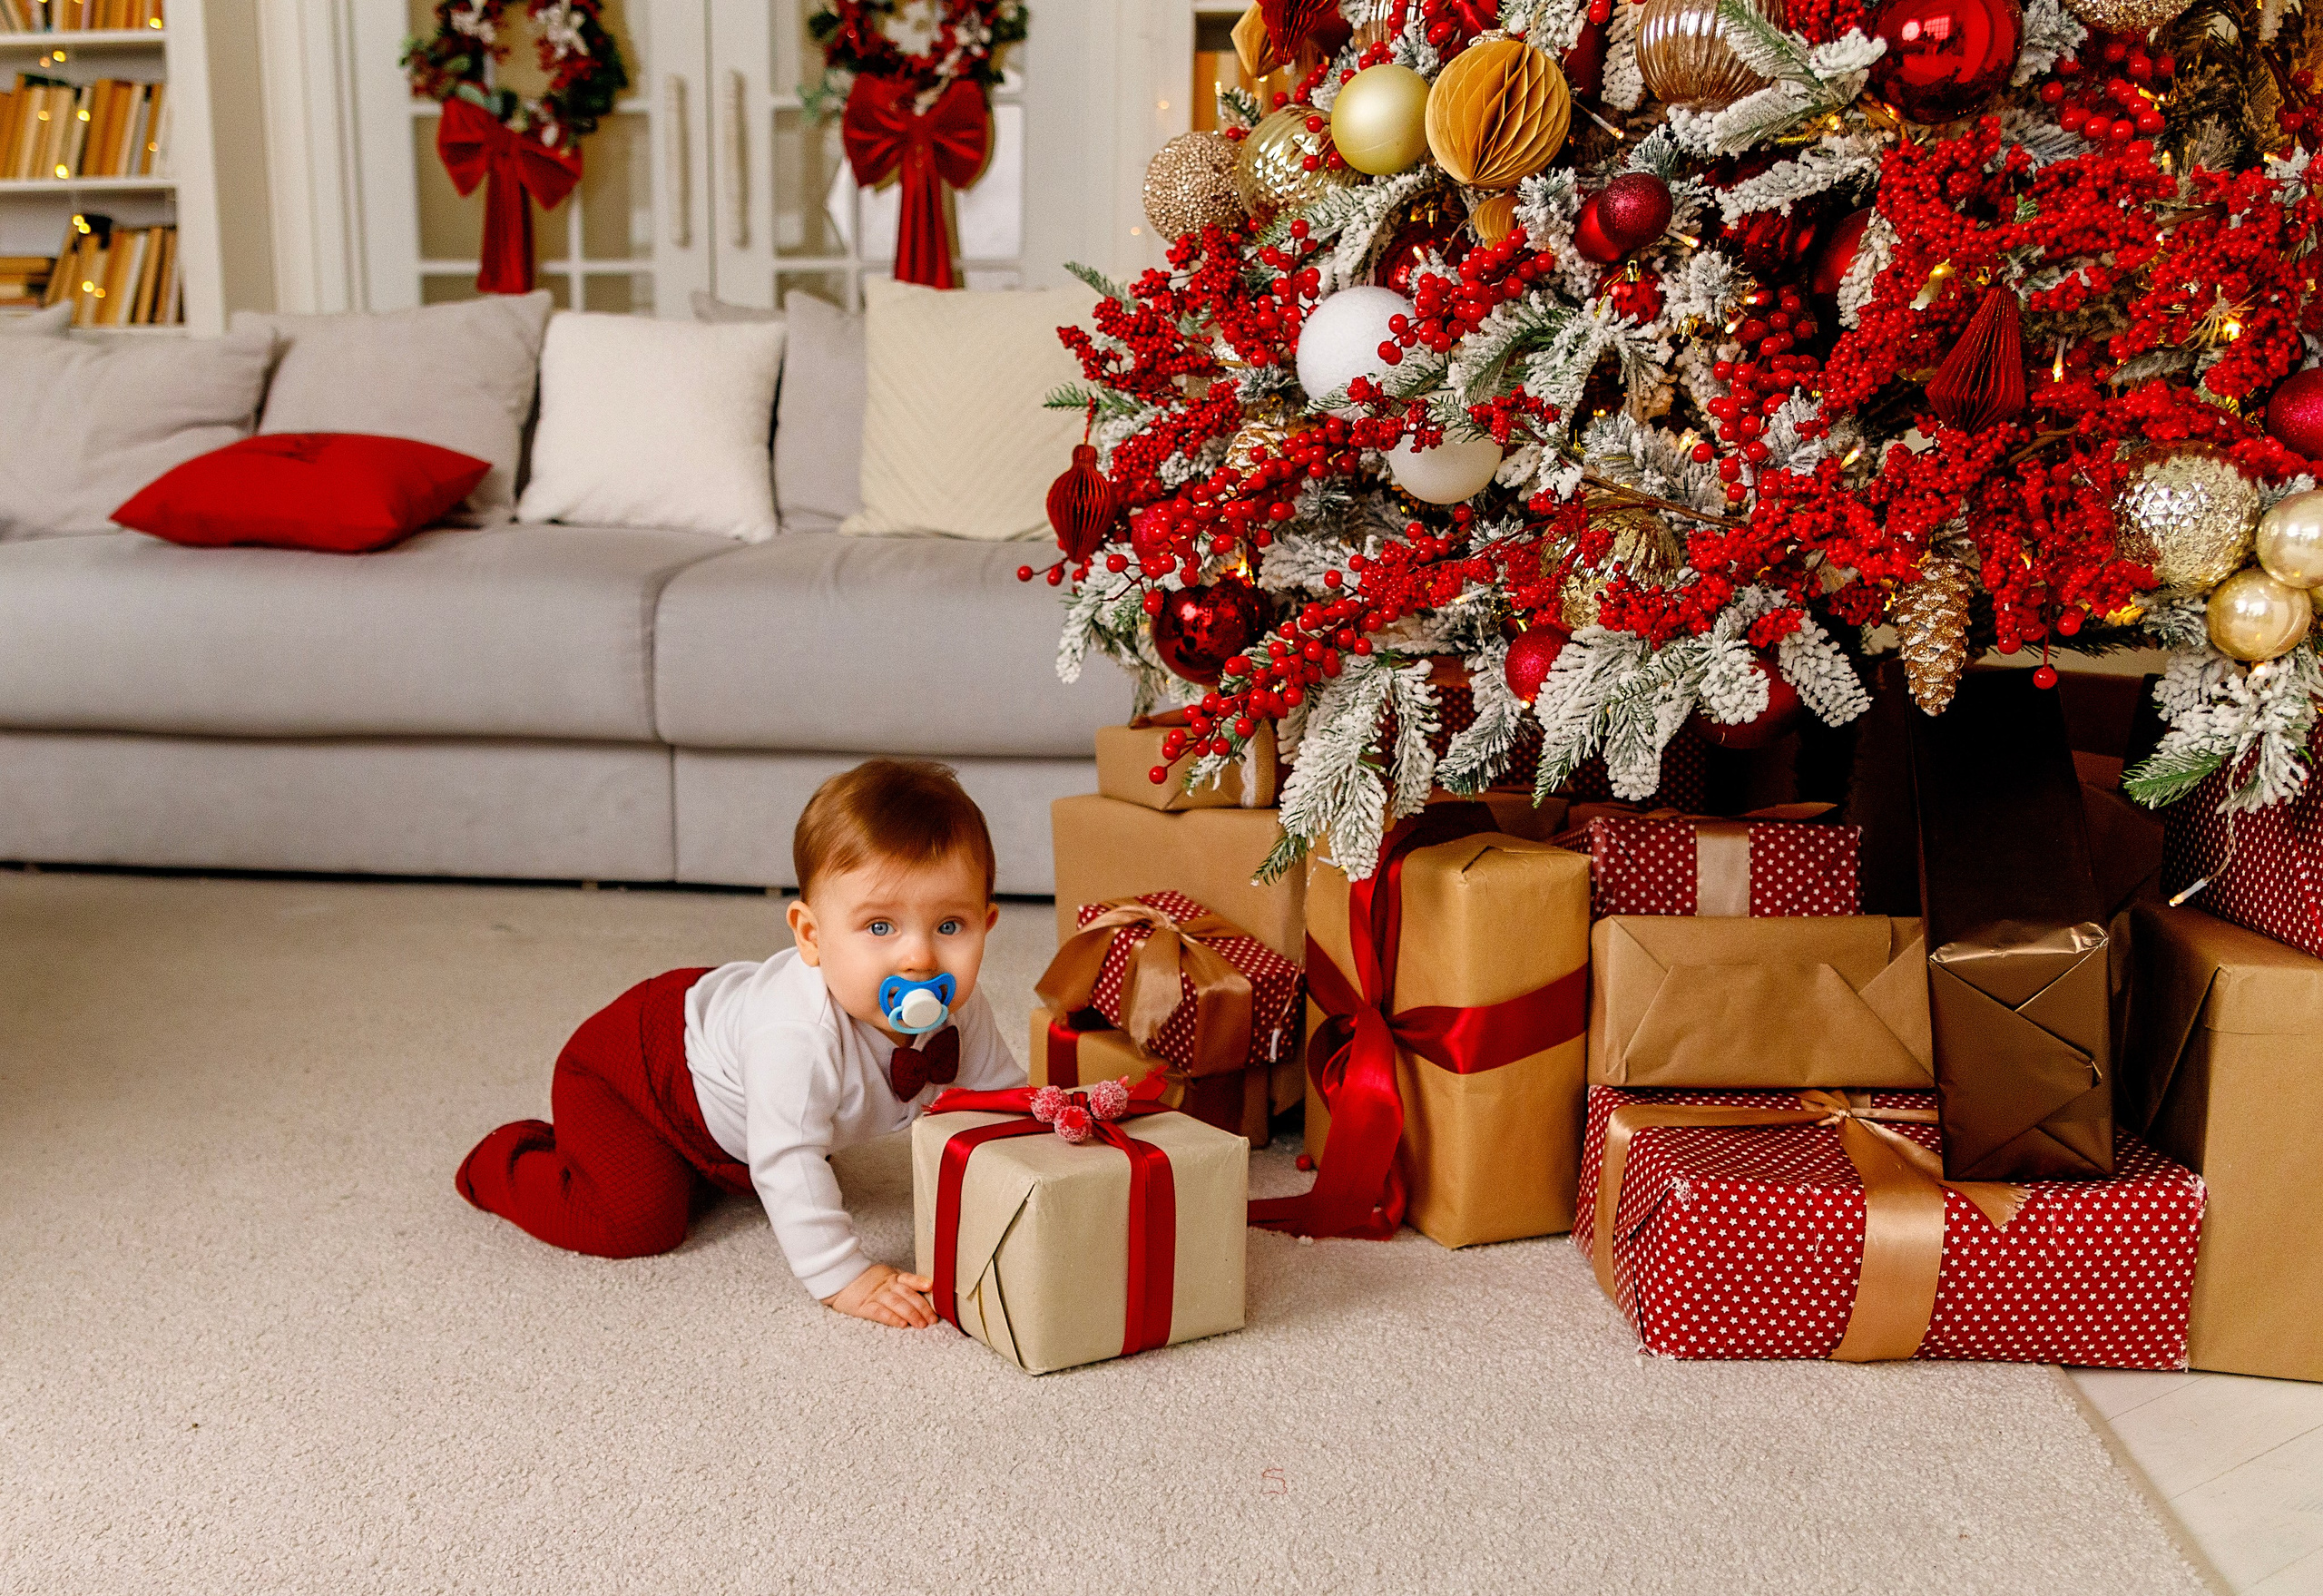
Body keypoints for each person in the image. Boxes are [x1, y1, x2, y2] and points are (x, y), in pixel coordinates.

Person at [456, 759, 1024, 1327]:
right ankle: (501, 1158)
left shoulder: (962, 1009)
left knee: (771, 1147)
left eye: (950, 926)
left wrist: (1050, 1157)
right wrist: (844, 1274)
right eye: (880, 927)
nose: (920, 959)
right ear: (811, 936)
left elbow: (1000, 1100)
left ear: (986, 923)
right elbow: (786, 1161)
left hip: (725, 1055)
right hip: (637, 1072)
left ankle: (706, 1164)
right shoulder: (795, 1037)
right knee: (637, 1221)